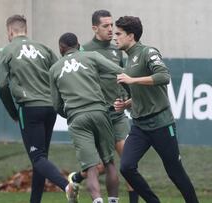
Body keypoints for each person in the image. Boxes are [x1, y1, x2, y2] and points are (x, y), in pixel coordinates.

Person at [113, 16, 199, 203]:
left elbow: (164, 76)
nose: (114, 37)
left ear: (131, 35)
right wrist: (126, 104)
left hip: (161, 123)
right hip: (139, 126)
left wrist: (132, 80)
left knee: (175, 172)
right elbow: (141, 94)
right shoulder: (128, 60)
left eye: (118, 34)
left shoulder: (147, 52)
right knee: (126, 167)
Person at [0, 14, 79, 203]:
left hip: (29, 108)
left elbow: (1, 86)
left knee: (38, 157)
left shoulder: (6, 50)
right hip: (50, 109)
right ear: (26, 29)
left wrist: (13, 112)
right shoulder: (44, 49)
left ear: (10, 31)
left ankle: (67, 186)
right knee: (41, 159)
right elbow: (60, 73)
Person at [68, 10, 139, 203]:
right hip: (98, 115)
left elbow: (124, 78)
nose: (111, 30)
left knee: (129, 163)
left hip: (117, 116)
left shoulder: (117, 49)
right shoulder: (84, 51)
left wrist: (129, 100)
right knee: (100, 167)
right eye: (106, 26)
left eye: (111, 25)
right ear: (94, 28)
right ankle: (76, 179)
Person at [49, 32, 125, 203]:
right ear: (78, 45)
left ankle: (97, 200)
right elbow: (119, 71)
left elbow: (56, 105)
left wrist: (70, 114)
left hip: (77, 118)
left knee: (91, 168)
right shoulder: (91, 56)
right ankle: (113, 200)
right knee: (109, 162)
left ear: (61, 48)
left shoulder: (54, 69)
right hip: (100, 112)